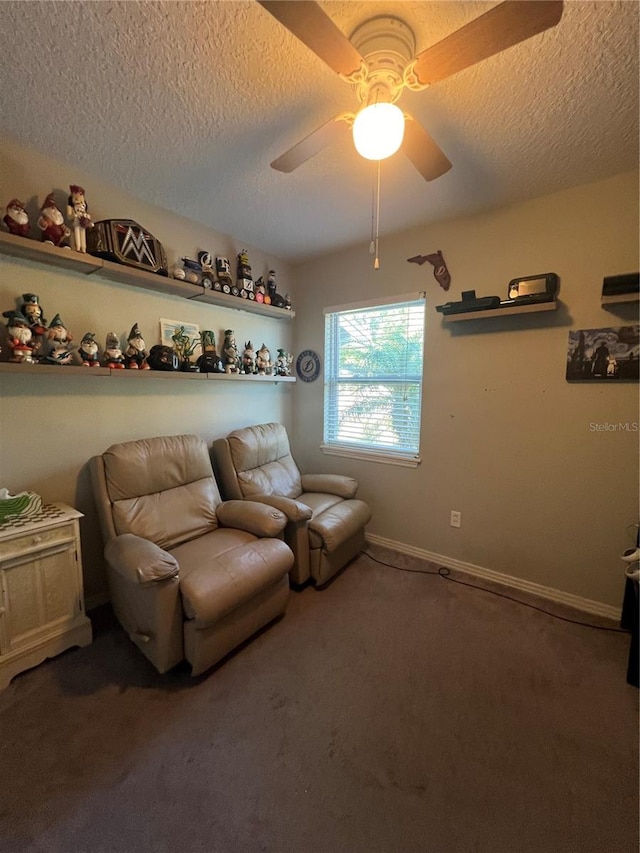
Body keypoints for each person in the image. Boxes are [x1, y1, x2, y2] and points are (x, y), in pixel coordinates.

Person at [67, 185, 94, 253]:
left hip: (83, 223)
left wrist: (87, 218)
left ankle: (83, 248)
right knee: (77, 233)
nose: (81, 203)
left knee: (83, 234)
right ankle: (77, 247)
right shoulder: (72, 208)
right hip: (76, 222)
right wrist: (74, 215)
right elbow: (69, 217)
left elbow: (88, 216)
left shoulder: (83, 209)